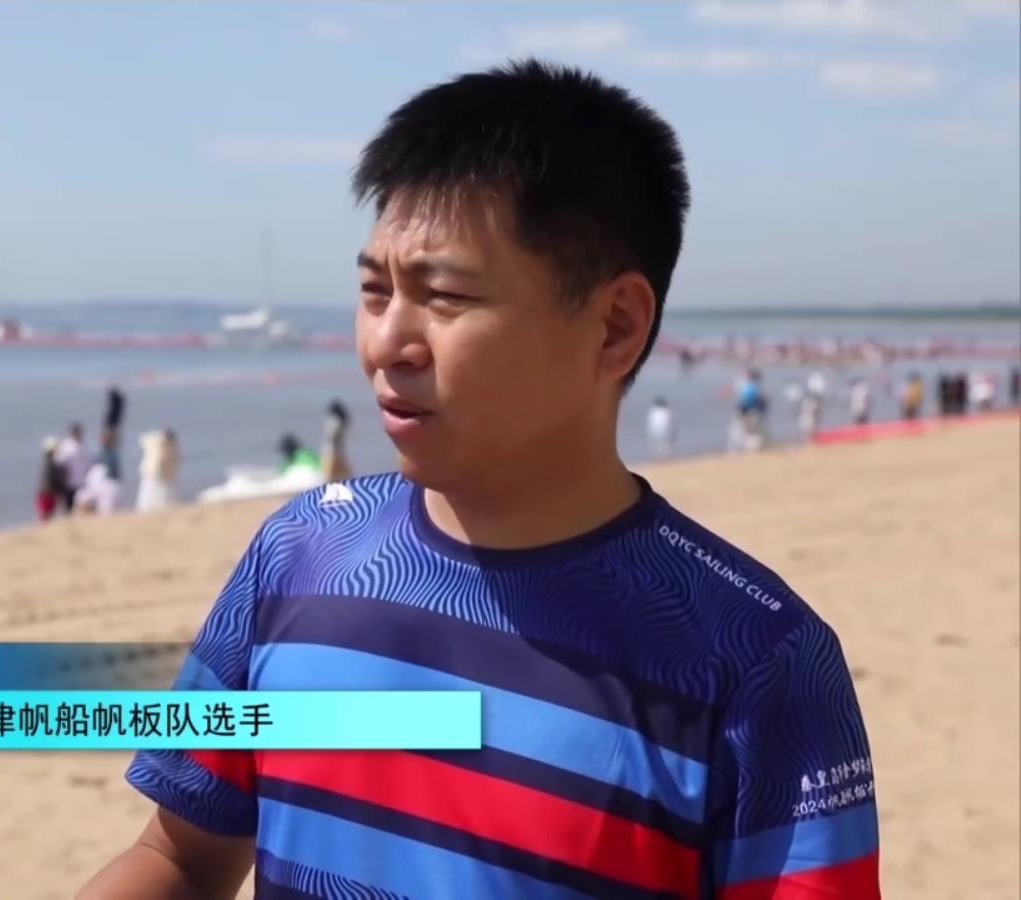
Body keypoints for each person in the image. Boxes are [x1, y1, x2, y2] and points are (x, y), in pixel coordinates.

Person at [82, 60, 878, 900]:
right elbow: (181, 857)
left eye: (444, 296)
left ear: (614, 326)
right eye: (374, 291)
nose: (387, 344)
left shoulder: (757, 663)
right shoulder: (299, 554)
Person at [135, 429, 180, 512]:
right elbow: (143, 439)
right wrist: (160, 437)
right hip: (153, 476)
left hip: (164, 478)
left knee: (164, 497)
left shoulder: (172, 448)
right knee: (149, 497)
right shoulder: (156, 444)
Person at [52, 422, 92, 513]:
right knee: (69, 507)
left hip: (82, 483)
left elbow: (90, 463)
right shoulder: (66, 446)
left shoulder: (84, 446)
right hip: (69, 483)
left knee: (80, 507)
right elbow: (59, 462)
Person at [320, 400, 354, 482]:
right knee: (342, 477)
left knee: (328, 477)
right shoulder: (343, 422)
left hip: (331, 453)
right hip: (339, 453)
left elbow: (330, 437)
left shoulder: (334, 421)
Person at [35, 437, 63, 521]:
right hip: (48, 493)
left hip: (44, 492)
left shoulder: (47, 463)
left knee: (45, 515)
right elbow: (52, 480)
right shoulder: (51, 465)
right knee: (46, 515)